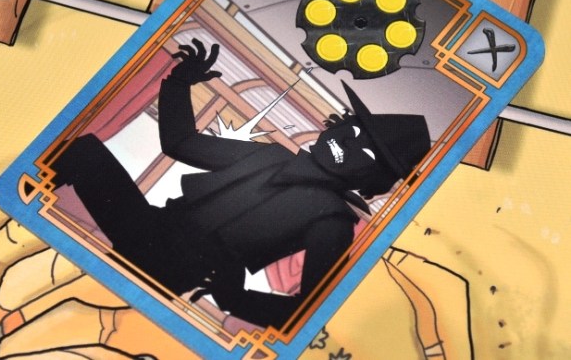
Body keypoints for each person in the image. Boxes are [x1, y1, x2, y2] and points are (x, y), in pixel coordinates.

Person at [53, 39, 430, 329]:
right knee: (82, 154)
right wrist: (180, 81)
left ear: (373, 179)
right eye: (355, 129)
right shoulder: (272, 156)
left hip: (175, 268)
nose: (348, 142)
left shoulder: (333, 221)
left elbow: (307, 311)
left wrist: (235, 298)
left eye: (366, 152)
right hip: (149, 226)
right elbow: (181, 143)